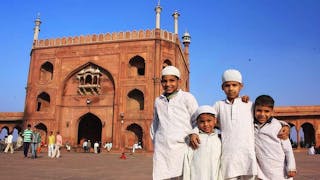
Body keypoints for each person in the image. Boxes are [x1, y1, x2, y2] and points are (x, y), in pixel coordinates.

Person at [190, 69, 290, 180]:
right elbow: (205, 119)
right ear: (222, 87)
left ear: (241, 86)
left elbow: (264, 118)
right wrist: (194, 132)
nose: (231, 88)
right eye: (227, 85)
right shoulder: (218, 105)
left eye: (234, 85)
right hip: (228, 155)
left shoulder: (249, 105)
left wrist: (284, 125)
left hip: (247, 155)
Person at [150, 66, 199, 179]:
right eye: (164, 81)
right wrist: (157, 142)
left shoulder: (187, 98)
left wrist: (194, 133)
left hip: (182, 146)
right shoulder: (158, 101)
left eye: (172, 80)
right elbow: (155, 124)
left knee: (183, 175)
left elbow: (196, 119)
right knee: (161, 175)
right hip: (162, 149)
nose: (168, 84)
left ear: (179, 81)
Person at [254, 95, 296, 179]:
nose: (262, 114)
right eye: (259, 110)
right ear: (253, 110)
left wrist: (291, 167)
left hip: (279, 168)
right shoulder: (252, 124)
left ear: (272, 112)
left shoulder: (278, 126)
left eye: (266, 111)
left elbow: (288, 149)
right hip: (262, 170)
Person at [183, 105, 222, 180]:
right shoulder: (194, 139)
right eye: (202, 121)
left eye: (209, 121)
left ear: (215, 120)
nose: (206, 124)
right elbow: (187, 161)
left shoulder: (219, 139)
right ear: (197, 122)